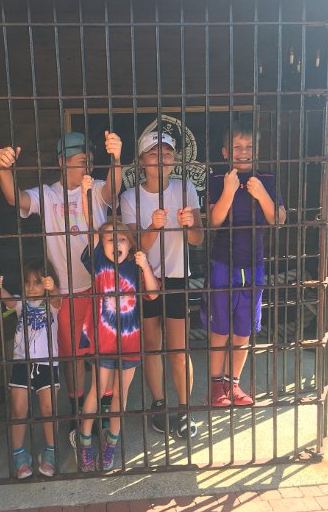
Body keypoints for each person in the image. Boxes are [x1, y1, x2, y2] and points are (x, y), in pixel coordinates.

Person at [0, 131, 122, 430]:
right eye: (82, 161)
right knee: (72, 355)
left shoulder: (96, 187)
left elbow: (112, 189)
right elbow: (15, 198)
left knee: (104, 351)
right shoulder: (47, 194)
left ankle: (103, 405)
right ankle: (79, 409)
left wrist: (116, 158)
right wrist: (3, 169)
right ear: (63, 162)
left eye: (91, 161)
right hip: (64, 290)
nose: (88, 167)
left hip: (99, 286)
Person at [70, 179, 159, 471]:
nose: (116, 243)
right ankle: (84, 442)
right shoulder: (98, 262)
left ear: (130, 244)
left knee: (122, 394)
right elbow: (90, 225)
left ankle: (110, 445)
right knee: (97, 390)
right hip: (103, 340)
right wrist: (86, 194)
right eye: (109, 240)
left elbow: (153, 293)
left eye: (122, 239)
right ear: (101, 245)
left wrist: (145, 266)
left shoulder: (135, 266)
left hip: (130, 342)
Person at [121, 130, 204, 439]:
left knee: (179, 349)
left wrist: (189, 225)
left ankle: (184, 409)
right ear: (142, 161)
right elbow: (134, 246)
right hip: (145, 278)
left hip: (178, 276)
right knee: (152, 346)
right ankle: (158, 405)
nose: (162, 159)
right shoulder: (129, 197)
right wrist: (153, 227)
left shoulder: (185, 188)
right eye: (154, 154)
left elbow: (198, 239)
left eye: (167, 153)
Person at [201, 121, 286, 406]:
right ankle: (216, 385)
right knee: (219, 329)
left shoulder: (267, 178)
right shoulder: (217, 178)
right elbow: (213, 221)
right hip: (222, 263)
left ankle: (233, 384)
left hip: (254, 264)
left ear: (257, 150)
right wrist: (228, 191)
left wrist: (261, 194)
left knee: (243, 329)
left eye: (249, 146)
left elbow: (279, 219)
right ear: (226, 151)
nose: (244, 151)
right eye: (237, 147)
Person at [0, 260, 61, 479]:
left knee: (48, 409)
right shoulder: (21, 303)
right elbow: (9, 301)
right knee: (18, 409)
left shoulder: (51, 304)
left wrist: (52, 288)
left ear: (47, 282)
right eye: (27, 282)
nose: (31, 287)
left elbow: (57, 299)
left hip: (47, 363)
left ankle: (51, 452)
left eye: (37, 282)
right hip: (22, 363)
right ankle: (19, 454)